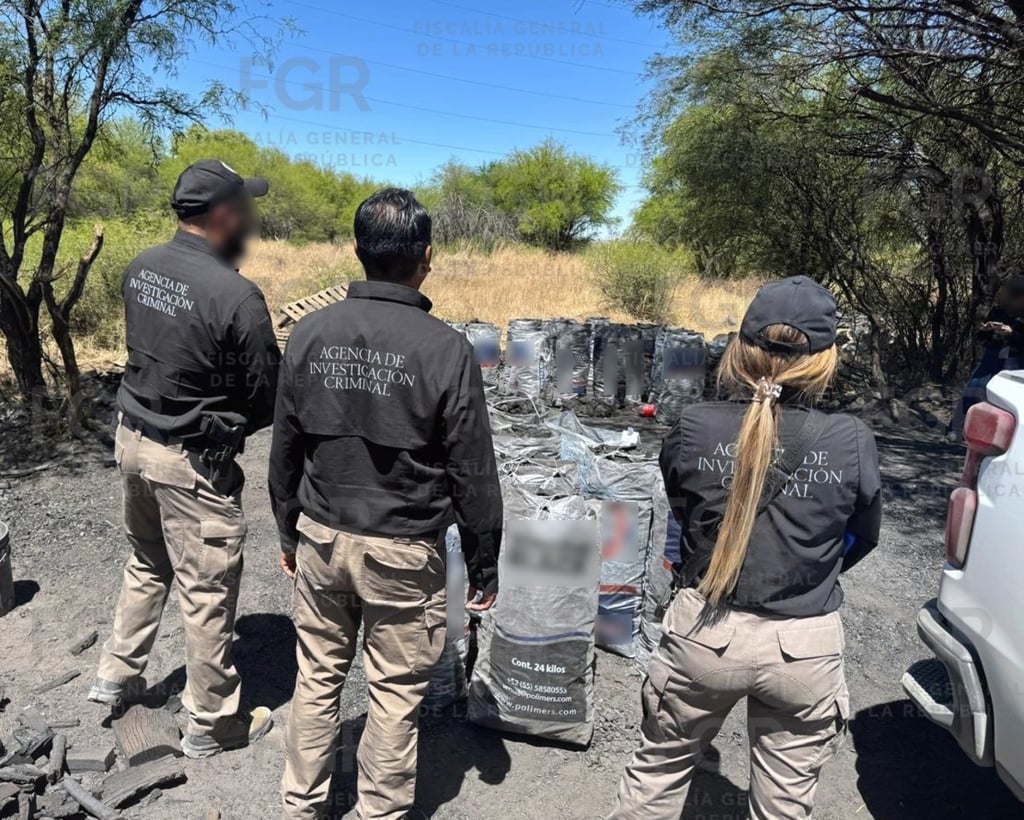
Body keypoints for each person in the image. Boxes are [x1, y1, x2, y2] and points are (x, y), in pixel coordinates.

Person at [610, 276, 882, 820]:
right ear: (824, 361)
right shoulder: (852, 438)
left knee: (657, 775)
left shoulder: (693, 426)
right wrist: (810, 568)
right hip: (803, 646)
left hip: (704, 636)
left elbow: (684, 512)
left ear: (739, 348)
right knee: (784, 804)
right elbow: (862, 537)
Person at [270, 188, 502, 820]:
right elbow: (473, 471)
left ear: (357, 251)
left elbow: (284, 447)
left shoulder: (309, 333)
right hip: (403, 552)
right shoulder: (446, 350)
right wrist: (484, 563)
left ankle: (300, 806)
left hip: (321, 536)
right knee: (395, 694)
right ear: (426, 257)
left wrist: (289, 533)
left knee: (317, 679)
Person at [89, 159, 281, 759]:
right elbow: (268, 396)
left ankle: (115, 675)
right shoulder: (237, 295)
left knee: (147, 560)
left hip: (131, 441)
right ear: (222, 214)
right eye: (244, 208)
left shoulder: (141, 266)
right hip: (188, 463)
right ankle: (213, 724)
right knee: (207, 588)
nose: (250, 218)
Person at [951, 274, 1024, 437]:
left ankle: (1001, 435)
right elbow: (981, 337)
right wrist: (986, 330)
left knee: (1005, 398)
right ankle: (958, 429)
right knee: (974, 389)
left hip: (1016, 362)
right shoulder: (998, 311)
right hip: (993, 355)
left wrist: (1012, 333)